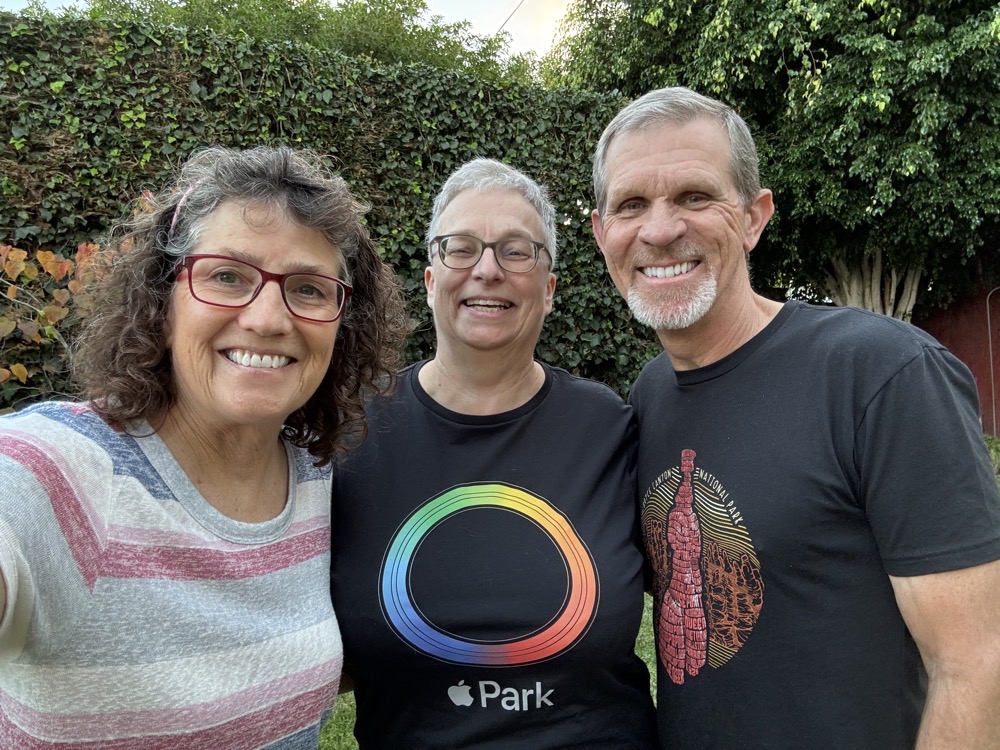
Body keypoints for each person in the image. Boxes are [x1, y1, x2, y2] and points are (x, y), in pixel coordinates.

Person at [590, 85, 1000, 748]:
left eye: (695, 197)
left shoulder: (882, 376)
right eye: (632, 205)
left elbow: (978, 664)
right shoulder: (649, 396)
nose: (661, 229)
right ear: (602, 233)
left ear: (754, 217)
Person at [0, 145, 406, 747]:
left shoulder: (320, 481)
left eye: (309, 289)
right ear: (163, 302)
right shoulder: (58, 471)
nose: (269, 317)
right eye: (226, 276)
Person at [329, 158, 658, 748]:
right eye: (460, 249)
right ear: (431, 281)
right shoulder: (351, 432)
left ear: (550, 289)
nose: (487, 269)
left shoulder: (611, 427)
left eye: (516, 250)